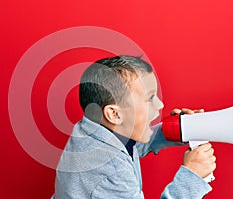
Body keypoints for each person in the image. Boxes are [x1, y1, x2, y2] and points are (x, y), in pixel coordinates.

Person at [53, 55, 216, 198]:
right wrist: (192, 177)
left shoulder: (94, 129)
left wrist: (177, 130)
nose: (160, 105)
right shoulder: (110, 172)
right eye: (150, 98)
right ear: (115, 114)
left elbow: (133, 147)